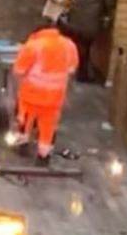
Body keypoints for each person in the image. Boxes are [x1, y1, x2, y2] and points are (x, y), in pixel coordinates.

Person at [12, 22, 78, 163]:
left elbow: (19, 70)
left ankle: (22, 145)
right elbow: (72, 69)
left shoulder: (33, 45)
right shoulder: (68, 45)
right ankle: (43, 155)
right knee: (48, 126)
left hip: (31, 95)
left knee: (25, 120)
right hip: (55, 97)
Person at [61, 0, 118, 82]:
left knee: (80, 45)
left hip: (77, 14)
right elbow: (110, 2)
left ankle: (76, 69)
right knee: (85, 48)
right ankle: (82, 75)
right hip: (90, 19)